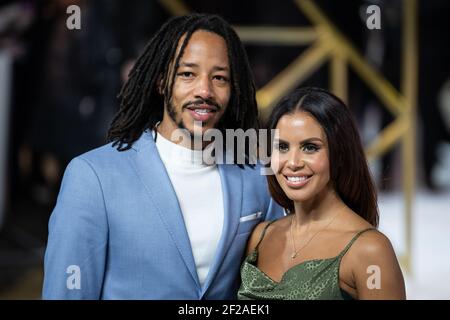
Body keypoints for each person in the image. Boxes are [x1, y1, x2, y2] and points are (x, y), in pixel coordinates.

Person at [42, 13, 283, 299]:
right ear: (160, 82)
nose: (204, 90)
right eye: (187, 74)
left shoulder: (258, 177)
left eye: (219, 78)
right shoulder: (92, 177)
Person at [238, 87, 406, 300]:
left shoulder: (370, 251)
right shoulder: (259, 238)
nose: (293, 163)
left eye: (310, 147)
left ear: (340, 154)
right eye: (282, 147)